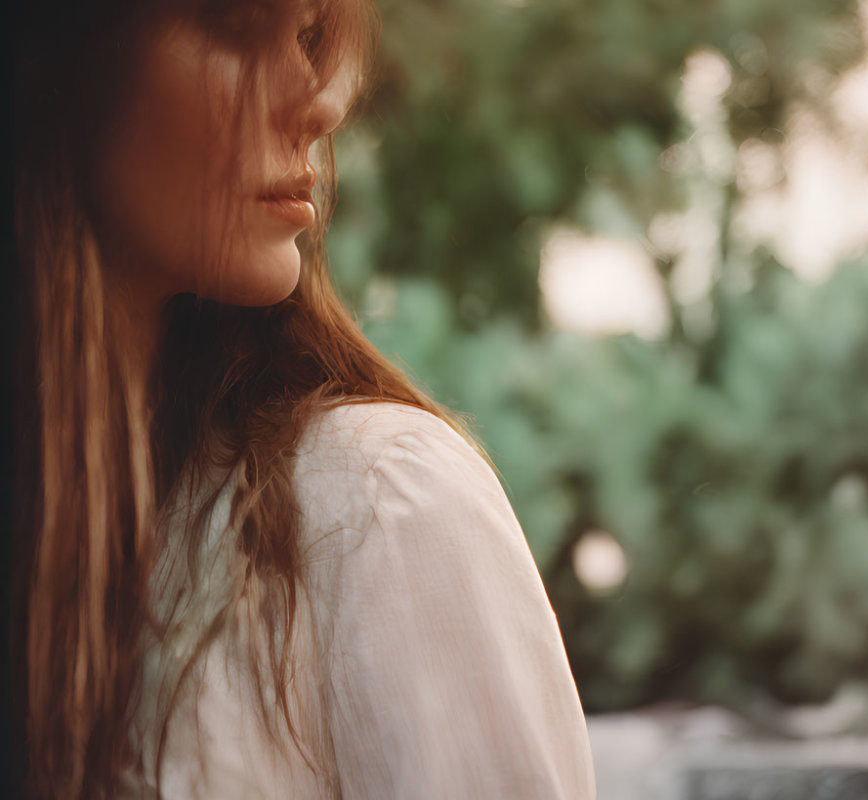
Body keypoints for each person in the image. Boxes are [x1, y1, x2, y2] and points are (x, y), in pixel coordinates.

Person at [9, 0, 597, 797]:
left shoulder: (378, 507)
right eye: (240, 25)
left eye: (307, 38)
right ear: (50, 58)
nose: (320, 98)